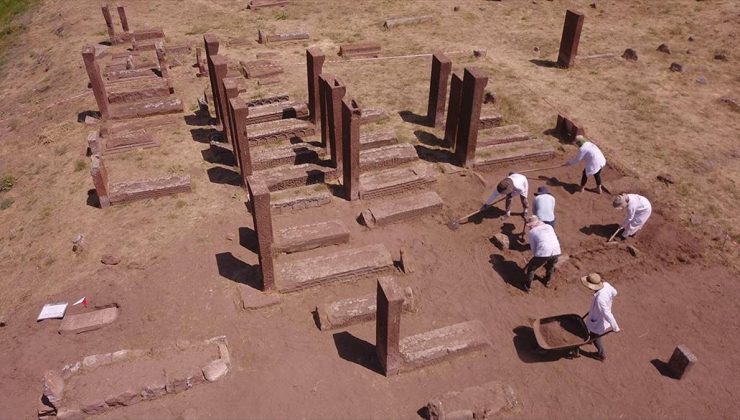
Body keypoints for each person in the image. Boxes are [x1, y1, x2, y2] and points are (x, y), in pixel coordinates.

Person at [580, 273, 620, 361]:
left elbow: (607, 313)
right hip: (597, 313)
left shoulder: (600, 299)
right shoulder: (606, 285)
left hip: (599, 318)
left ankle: (601, 354)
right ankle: (589, 340)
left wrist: (615, 327)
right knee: (591, 330)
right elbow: (615, 292)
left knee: (596, 336)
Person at [523, 215, 561, 292]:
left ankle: (527, 286)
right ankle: (547, 281)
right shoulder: (549, 227)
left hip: (544, 251)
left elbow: (533, 248)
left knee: (531, 268)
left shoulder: (532, 232)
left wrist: (536, 258)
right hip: (556, 250)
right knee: (551, 266)